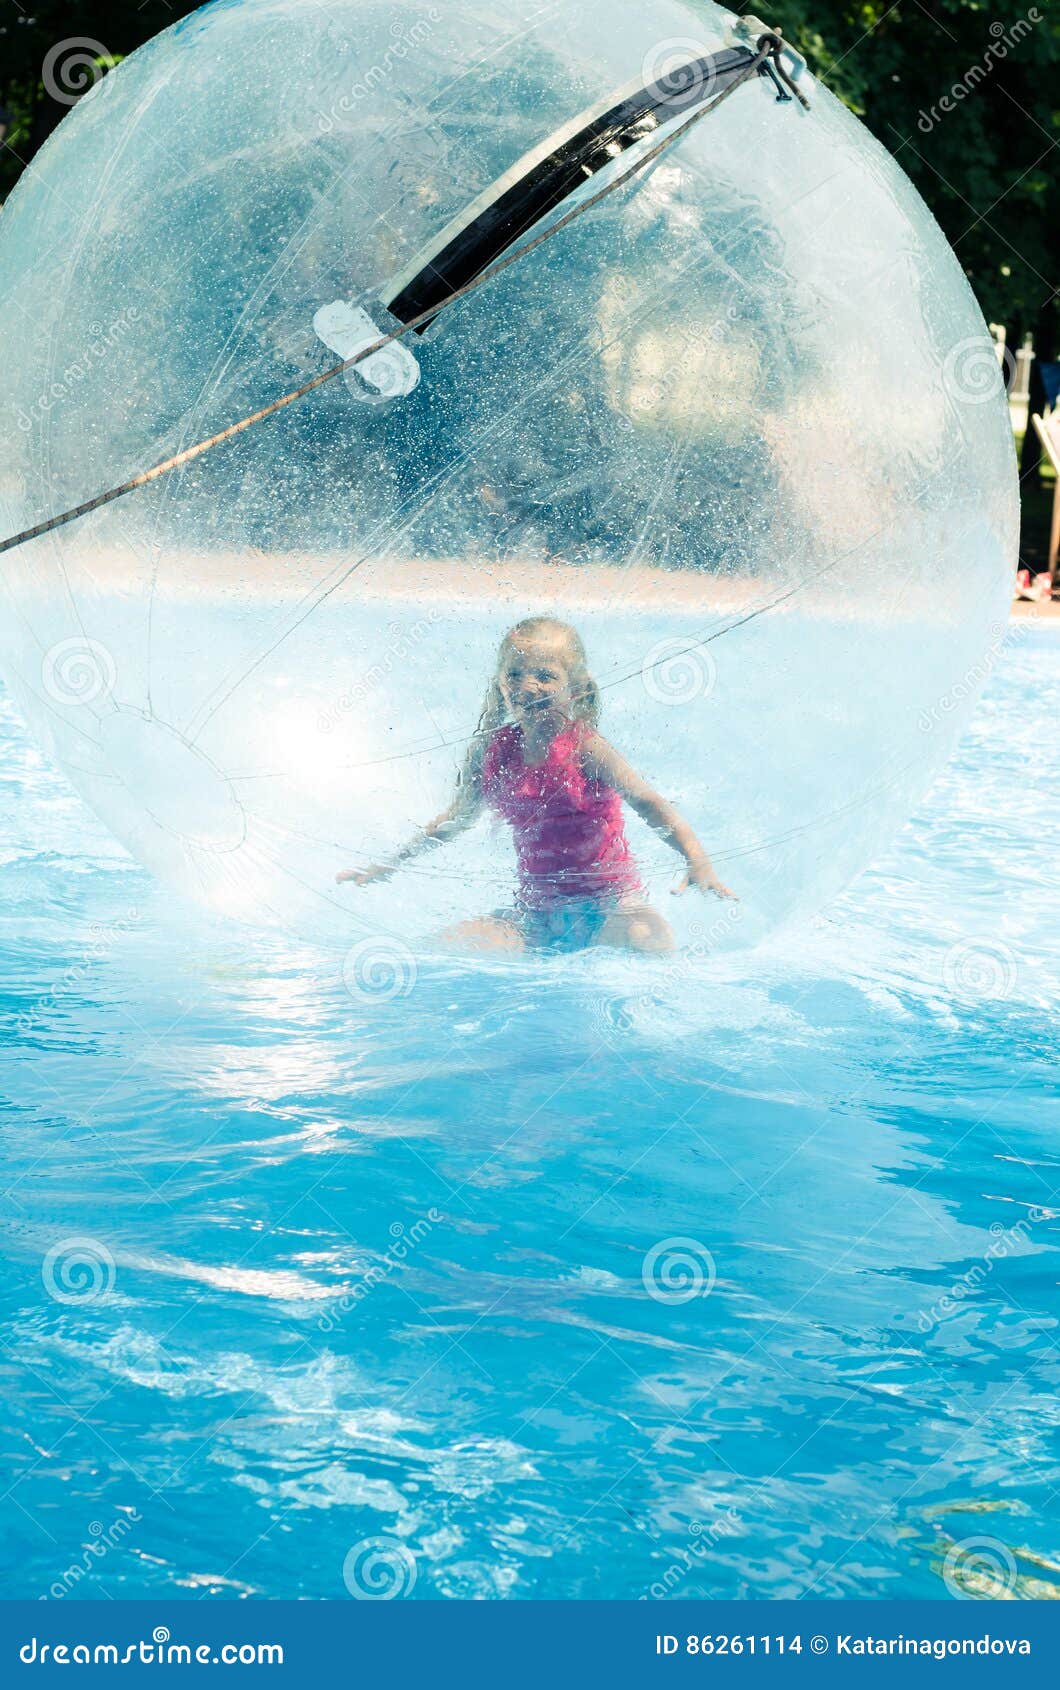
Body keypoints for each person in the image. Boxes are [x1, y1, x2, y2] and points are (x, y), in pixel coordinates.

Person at [336, 616, 735, 953]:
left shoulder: (586, 748)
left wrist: (696, 860)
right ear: (500, 684)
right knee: (440, 950)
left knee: (650, 940)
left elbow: (648, 803)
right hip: (536, 915)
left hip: (611, 906)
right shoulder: (490, 753)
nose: (527, 686)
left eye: (545, 676)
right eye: (515, 674)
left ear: (573, 688)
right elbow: (454, 822)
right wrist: (388, 865)